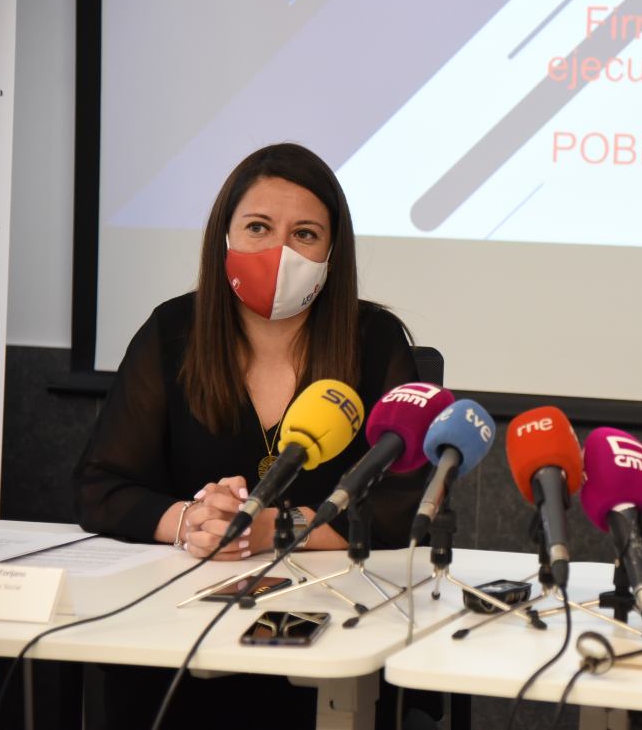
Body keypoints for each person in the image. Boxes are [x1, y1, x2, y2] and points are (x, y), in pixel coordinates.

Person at [73, 142, 433, 728]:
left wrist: (276, 529)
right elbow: (100, 486)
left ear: (333, 254)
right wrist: (195, 523)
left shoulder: (376, 340)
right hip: (177, 635)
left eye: (306, 235)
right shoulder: (173, 331)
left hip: (331, 635)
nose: (281, 252)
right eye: (259, 228)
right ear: (226, 238)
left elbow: (402, 506)